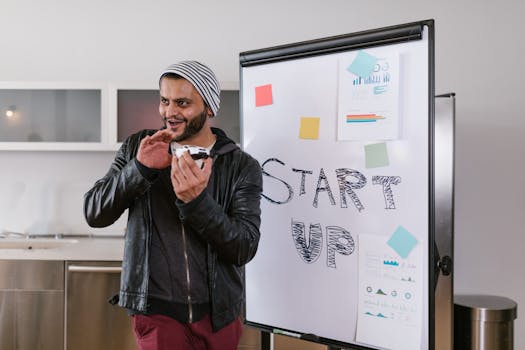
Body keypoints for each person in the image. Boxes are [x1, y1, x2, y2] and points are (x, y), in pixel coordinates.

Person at [84, 61, 262, 350]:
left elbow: (244, 246)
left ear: (209, 107)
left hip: (219, 317)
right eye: (164, 101)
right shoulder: (138, 148)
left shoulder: (241, 165)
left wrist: (197, 202)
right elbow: (94, 212)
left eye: (182, 103)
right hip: (157, 316)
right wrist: (139, 170)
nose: (169, 112)